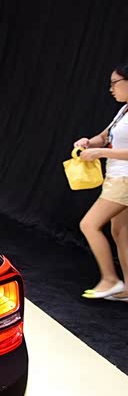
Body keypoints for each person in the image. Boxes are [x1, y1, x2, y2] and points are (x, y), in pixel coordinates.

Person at [75, 60, 128, 299]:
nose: (111, 89)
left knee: (89, 224)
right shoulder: (123, 111)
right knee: (121, 232)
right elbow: (105, 136)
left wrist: (101, 152)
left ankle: (110, 279)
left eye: (115, 83)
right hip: (116, 177)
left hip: (124, 180)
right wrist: (89, 142)